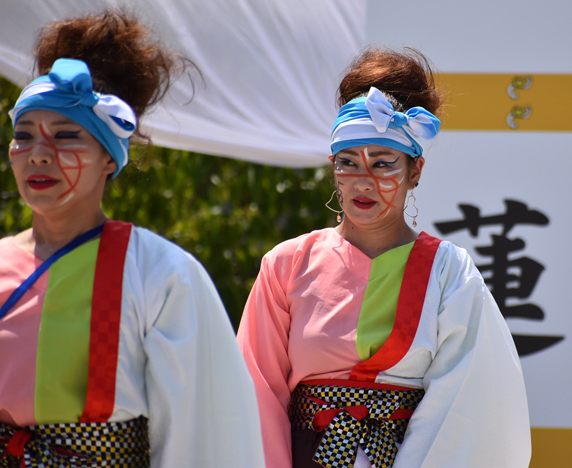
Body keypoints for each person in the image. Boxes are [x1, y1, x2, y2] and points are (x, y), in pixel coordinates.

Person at [236, 47, 532, 468]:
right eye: (348, 162)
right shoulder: (287, 264)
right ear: (332, 167)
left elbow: (469, 409)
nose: (364, 180)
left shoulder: (449, 273)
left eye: (383, 163)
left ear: (416, 171)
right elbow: (255, 394)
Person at [0, 11, 264, 468]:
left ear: (110, 157)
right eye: (23, 136)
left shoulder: (163, 276)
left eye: (66, 136)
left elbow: (205, 438)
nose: (39, 154)